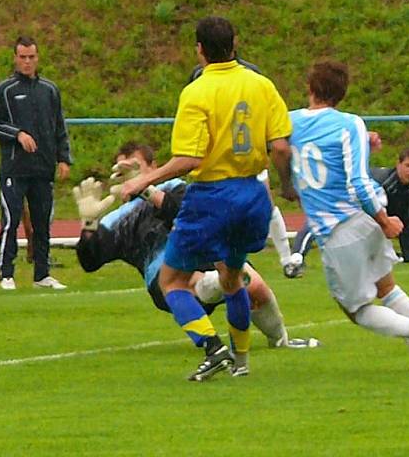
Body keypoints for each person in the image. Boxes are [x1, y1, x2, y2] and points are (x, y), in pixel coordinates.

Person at [118, 16, 295, 381]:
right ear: (235, 43)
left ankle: (212, 348)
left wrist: (144, 180)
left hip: (212, 196)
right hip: (252, 194)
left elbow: (190, 159)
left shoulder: (197, 91)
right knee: (232, 280)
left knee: (171, 282)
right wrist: (287, 186)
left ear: (199, 48)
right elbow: (280, 147)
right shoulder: (261, 85)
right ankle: (241, 363)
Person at [74, 142, 319, 361]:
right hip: (162, 275)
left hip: (207, 253)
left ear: (153, 166)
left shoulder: (174, 187)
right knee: (201, 281)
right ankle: (216, 290)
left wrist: (147, 189)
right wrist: (88, 224)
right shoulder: (117, 218)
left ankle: (280, 340)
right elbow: (90, 261)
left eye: (135, 167)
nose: (127, 176)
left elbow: (186, 211)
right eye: (121, 171)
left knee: (255, 286)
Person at [284, 60, 409, 372]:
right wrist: (381, 218)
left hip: (337, 231)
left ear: (309, 88)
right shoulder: (351, 124)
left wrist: (385, 221)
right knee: (387, 287)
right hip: (365, 219)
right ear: (342, 94)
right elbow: (347, 166)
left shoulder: (289, 122)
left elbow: (348, 176)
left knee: (356, 310)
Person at [190, 57, 295, 275]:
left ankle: (286, 259)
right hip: (217, 163)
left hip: (246, 160)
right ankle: (219, 264)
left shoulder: (252, 75)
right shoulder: (200, 76)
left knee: (266, 205)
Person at [0, 35, 72, 291]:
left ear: (37, 58)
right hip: (15, 168)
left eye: (31, 57)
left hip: (42, 169)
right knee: (11, 220)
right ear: (15, 58)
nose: (27, 62)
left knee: (43, 221)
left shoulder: (49, 90)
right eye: (22, 57)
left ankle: (42, 273)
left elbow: (59, 126)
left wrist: (63, 158)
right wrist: (17, 134)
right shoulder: (5, 90)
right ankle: (6, 272)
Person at [285, 147, 409, 278]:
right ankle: (297, 256)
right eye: (408, 165)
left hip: (368, 215)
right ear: (398, 164)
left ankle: (372, 259)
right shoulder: (383, 182)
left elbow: (408, 220)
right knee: (321, 220)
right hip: (346, 195)